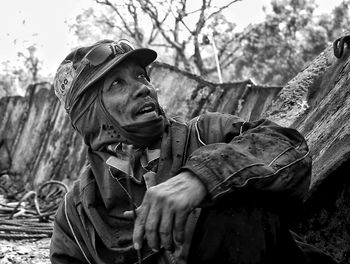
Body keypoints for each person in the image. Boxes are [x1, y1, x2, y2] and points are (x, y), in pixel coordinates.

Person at [50, 39, 335, 264]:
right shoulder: (75, 216)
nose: (143, 88)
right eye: (117, 84)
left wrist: (201, 177)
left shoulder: (207, 133)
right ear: (90, 115)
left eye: (141, 76)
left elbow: (287, 146)